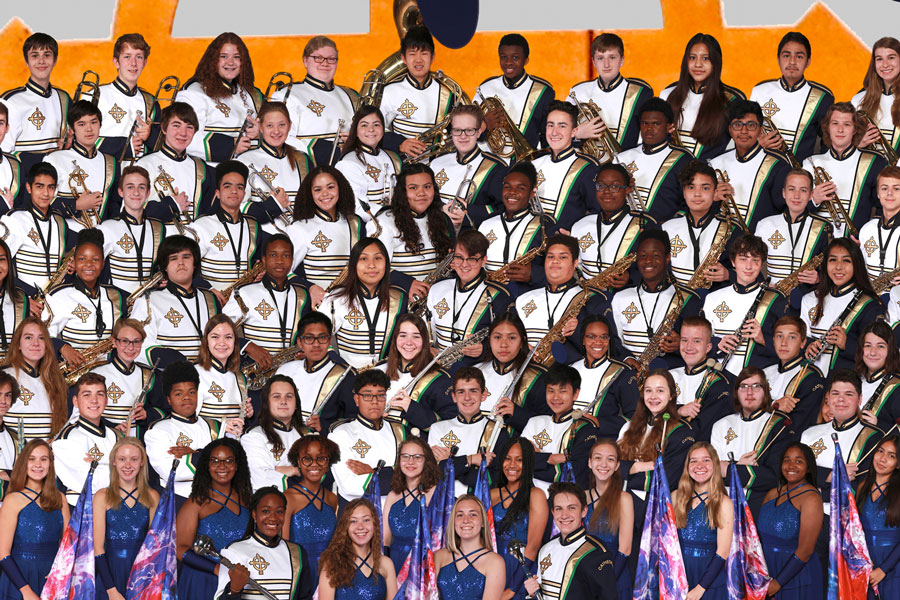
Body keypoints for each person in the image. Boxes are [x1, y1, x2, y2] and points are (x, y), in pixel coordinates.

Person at [609, 229, 701, 367]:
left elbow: (702, 344)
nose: (648, 261)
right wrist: (626, 358)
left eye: (656, 255)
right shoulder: (620, 298)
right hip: (630, 377)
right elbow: (614, 341)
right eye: (643, 255)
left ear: (667, 258)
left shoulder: (687, 299)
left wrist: (681, 344)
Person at [176, 438, 252, 600]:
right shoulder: (196, 503)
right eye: (215, 460)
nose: (222, 466)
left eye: (228, 461)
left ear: (237, 465)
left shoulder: (247, 500)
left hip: (238, 581)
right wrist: (217, 569)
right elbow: (180, 548)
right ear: (207, 465)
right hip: (203, 579)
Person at [513, 233, 612, 356]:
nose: (555, 261)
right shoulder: (523, 299)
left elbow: (609, 347)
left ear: (575, 263)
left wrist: (579, 330)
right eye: (550, 257)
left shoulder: (592, 299)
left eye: (563, 257)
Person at [701, 233, 787, 375]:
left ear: (762, 264)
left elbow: (790, 349)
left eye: (755, 260)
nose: (748, 266)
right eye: (743, 259)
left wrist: (762, 338)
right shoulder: (712, 298)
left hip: (756, 382)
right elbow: (697, 341)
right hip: (716, 379)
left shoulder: (775, 300)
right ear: (733, 262)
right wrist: (717, 343)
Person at [710, 367, 791, 512]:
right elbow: (711, 473)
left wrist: (730, 469)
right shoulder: (720, 425)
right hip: (722, 505)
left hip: (760, 506)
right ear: (736, 392)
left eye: (756, 386)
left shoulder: (779, 425)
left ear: (766, 391)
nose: (749, 392)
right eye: (743, 386)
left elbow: (774, 476)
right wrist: (739, 467)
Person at [130, 235, 221, 363]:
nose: (181, 263)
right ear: (164, 267)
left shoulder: (210, 299)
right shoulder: (148, 301)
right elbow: (136, 346)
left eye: (186, 257)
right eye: (173, 258)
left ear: (195, 263)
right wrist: (171, 359)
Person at [318, 238, 407, 369]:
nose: (371, 265)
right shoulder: (335, 298)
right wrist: (343, 369)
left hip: (387, 376)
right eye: (363, 259)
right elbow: (318, 338)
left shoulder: (399, 298)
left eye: (378, 258)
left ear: (387, 264)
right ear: (353, 264)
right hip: (345, 376)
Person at [800, 238, 884, 376]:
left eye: (846, 260)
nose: (838, 267)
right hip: (809, 380)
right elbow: (802, 338)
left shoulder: (869, 305)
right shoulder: (809, 299)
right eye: (833, 260)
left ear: (856, 265)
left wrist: (847, 344)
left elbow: (878, 355)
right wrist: (808, 346)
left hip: (846, 385)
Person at [214, 487, 315, 600]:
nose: (273, 518)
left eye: (279, 512)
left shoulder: (297, 552)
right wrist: (234, 590)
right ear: (254, 514)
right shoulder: (234, 551)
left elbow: (305, 597)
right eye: (266, 511)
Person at [800, 370, 883, 505]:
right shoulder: (809, 434)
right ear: (828, 398)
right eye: (835, 393)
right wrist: (833, 475)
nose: (840, 399)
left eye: (848, 394)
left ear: (860, 399)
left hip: (844, 521)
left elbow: (862, 489)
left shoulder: (873, 437)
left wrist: (815, 492)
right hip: (804, 516)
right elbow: (796, 475)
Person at [274, 36, 359, 167]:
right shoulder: (287, 94)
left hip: (350, 169)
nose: (325, 63)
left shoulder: (351, 95)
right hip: (307, 171)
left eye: (331, 59)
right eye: (318, 58)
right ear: (305, 61)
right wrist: (328, 151)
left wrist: (356, 141)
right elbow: (280, 137)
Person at [178, 32, 262, 166]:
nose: (230, 62)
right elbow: (183, 137)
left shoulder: (251, 94)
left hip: (249, 172)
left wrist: (260, 132)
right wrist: (231, 146)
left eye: (236, 57)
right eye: (223, 56)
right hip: (210, 174)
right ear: (213, 60)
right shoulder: (194, 92)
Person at [802, 102, 886, 237]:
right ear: (827, 128)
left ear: (855, 129)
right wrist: (813, 200)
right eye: (835, 124)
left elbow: (885, 207)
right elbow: (794, 212)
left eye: (846, 125)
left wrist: (869, 236)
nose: (840, 130)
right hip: (814, 246)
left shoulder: (873, 162)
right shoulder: (810, 163)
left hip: (854, 247)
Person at [44, 229, 126, 365]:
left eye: (95, 259)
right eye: (82, 259)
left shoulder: (117, 296)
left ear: (103, 264)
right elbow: (42, 334)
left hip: (108, 370)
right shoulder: (57, 295)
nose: (89, 264)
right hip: (73, 372)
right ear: (73, 262)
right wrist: (62, 347)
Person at [0, 439, 69, 600]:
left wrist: (60, 572)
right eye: (32, 459)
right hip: (19, 580)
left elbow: (68, 546)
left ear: (50, 464)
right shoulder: (13, 500)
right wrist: (26, 591)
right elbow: (3, 553)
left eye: (43, 459)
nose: (38, 464)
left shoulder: (60, 499)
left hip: (52, 580)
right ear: (24, 463)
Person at [750, 32, 834, 163]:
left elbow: (828, 146)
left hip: (801, 177)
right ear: (778, 59)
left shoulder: (822, 98)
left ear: (808, 62)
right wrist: (756, 144)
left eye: (799, 56)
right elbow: (744, 136)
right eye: (786, 55)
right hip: (761, 171)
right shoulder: (759, 91)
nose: (792, 62)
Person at [524, 482, 617, 600]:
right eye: (559, 509)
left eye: (571, 508)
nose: (564, 515)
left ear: (584, 511)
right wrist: (532, 595)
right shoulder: (546, 549)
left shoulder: (597, 553)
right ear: (552, 512)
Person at [0, 33, 70, 190]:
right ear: (26, 61)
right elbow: (3, 155)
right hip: (22, 185)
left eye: (47, 55)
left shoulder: (64, 98)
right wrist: (48, 156)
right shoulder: (10, 100)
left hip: (55, 185)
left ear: (55, 60)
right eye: (35, 55)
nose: (41, 61)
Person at [144, 361, 221, 503]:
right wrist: (211, 456)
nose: (187, 397)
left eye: (192, 392)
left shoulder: (214, 426)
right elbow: (172, 471)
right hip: (177, 501)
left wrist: (194, 453)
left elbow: (229, 465)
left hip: (216, 499)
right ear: (168, 399)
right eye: (179, 394)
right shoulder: (158, 430)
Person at [427, 367, 511, 498]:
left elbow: (493, 481)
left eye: (473, 391)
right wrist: (471, 460)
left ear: (483, 395)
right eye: (461, 392)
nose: (467, 397)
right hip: (441, 506)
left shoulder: (498, 432)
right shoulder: (438, 429)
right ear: (454, 397)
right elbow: (432, 475)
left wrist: (450, 462)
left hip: (478, 507)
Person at [93, 437, 160, 600]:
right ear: (114, 462)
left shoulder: (152, 496)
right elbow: (98, 548)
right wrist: (111, 591)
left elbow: (155, 547)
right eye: (122, 459)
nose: (128, 465)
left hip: (142, 574)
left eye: (134, 459)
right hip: (110, 573)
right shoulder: (102, 496)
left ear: (142, 462)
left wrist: (145, 584)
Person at [707, 99, 791, 229]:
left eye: (751, 125)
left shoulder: (777, 166)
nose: (744, 131)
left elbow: (787, 213)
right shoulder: (715, 163)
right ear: (730, 129)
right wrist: (713, 199)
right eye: (737, 125)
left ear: (760, 129)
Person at [660, 33, 745, 159]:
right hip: (670, 174)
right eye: (692, 58)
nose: (698, 64)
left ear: (716, 62)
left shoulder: (733, 100)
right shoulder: (668, 94)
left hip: (711, 175)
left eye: (705, 58)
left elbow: (737, 150)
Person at [222, 233, 310, 354]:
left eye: (286, 255)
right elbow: (217, 331)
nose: (279, 261)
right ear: (264, 260)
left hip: (290, 370)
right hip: (254, 369)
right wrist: (247, 346)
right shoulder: (243, 293)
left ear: (292, 260)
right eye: (273, 255)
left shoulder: (303, 295)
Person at [758, 443, 824, 599]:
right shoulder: (771, 494)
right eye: (787, 460)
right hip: (766, 574)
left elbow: (806, 550)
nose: (791, 466)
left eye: (799, 461)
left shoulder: (811, 498)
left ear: (808, 468)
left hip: (796, 576)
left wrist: (778, 582)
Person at [425, 229, 511, 350]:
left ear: (483, 261)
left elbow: (510, 341)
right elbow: (425, 333)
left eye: (472, 259)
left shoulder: (499, 296)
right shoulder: (437, 289)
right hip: (436, 365)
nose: (464, 264)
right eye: (459, 257)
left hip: (476, 367)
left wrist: (484, 349)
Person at [328, 369, 406, 502]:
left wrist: (372, 473)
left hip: (395, 510)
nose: (375, 401)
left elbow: (415, 475)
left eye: (381, 395)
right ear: (357, 399)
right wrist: (396, 476)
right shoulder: (340, 434)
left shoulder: (399, 429)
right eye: (368, 395)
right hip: (359, 513)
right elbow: (349, 486)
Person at [567, 33, 653, 151]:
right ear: (593, 62)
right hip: (585, 164)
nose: (606, 64)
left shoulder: (641, 93)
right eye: (600, 58)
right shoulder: (577, 92)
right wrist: (577, 133)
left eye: (612, 57)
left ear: (622, 60)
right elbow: (560, 130)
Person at [380, 26, 459, 155]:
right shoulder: (390, 91)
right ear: (404, 58)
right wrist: (400, 143)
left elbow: (457, 131)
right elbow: (375, 129)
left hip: (436, 163)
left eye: (424, 53)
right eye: (412, 54)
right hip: (401, 163)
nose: (418, 60)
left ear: (432, 57)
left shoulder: (448, 93)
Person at [618, 369, 696, 500]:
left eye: (660, 390)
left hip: (654, 506)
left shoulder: (681, 432)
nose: (653, 396)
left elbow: (667, 479)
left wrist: (625, 473)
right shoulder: (628, 427)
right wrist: (637, 467)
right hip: (620, 499)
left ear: (671, 395)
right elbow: (609, 466)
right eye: (648, 390)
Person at [43, 100, 120, 232]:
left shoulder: (111, 163)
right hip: (63, 237)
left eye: (93, 122)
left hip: (99, 239)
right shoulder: (54, 159)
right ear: (72, 129)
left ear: (100, 125)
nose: (89, 129)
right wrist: (77, 205)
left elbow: (115, 206)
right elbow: (41, 202)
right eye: (81, 124)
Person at [235, 101, 311, 233]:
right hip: (263, 239)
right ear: (260, 127)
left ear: (289, 126)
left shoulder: (303, 159)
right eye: (269, 125)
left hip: (302, 238)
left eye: (282, 125)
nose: (276, 131)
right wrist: (273, 206)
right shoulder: (244, 161)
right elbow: (237, 208)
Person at [519, 364, 598, 491]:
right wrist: (551, 458)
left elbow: (574, 473)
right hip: (529, 496)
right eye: (551, 391)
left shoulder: (585, 427)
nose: (556, 397)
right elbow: (517, 461)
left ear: (575, 394)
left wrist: (533, 460)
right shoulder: (534, 422)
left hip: (565, 500)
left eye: (563, 391)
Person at [613, 97, 692, 223]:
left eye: (656, 123)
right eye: (645, 123)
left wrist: (672, 225)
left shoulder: (683, 160)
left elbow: (689, 203)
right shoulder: (622, 158)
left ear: (669, 126)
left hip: (664, 233)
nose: (649, 129)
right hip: (623, 230)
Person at [570, 162, 652, 283]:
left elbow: (659, 267)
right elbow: (576, 267)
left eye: (615, 186)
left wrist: (630, 277)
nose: (607, 191)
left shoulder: (644, 224)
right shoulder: (579, 225)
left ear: (627, 190)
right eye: (601, 186)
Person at [287, 165, 366, 291]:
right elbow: (284, 272)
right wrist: (310, 288)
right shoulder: (299, 228)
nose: (325, 194)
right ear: (309, 193)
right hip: (319, 302)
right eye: (318, 190)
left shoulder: (356, 223)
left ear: (340, 188)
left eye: (330, 187)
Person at [0, 163, 75, 294]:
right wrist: (25, 299)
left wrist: (73, 266)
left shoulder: (61, 223)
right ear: (29, 188)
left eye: (50, 187)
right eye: (39, 187)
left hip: (54, 300)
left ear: (55, 189)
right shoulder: (14, 219)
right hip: (23, 300)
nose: (45, 193)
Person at [273, 311, 354, 431]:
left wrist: (326, 426)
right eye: (309, 338)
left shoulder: (345, 376)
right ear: (300, 342)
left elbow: (353, 419)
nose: (316, 344)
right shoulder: (285, 370)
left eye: (322, 337)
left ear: (330, 340)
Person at [671, 442, 733, 600]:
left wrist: (700, 588)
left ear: (715, 464)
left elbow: (723, 551)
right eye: (694, 461)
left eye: (706, 460)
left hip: (708, 580)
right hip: (678, 576)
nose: (700, 466)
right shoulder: (675, 497)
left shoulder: (724, 502)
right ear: (687, 466)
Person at [134, 101, 215, 221]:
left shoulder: (202, 168)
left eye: (189, 127)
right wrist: (171, 205)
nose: (183, 133)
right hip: (159, 238)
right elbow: (132, 212)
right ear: (164, 128)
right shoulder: (144, 165)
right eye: (176, 125)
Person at [427, 104, 506, 226]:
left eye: (469, 130)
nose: (463, 136)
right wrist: (441, 211)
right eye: (457, 130)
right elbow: (425, 201)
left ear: (479, 132)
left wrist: (469, 212)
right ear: (451, 132)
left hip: (472, 240)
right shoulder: (436, 163)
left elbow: (503, 208)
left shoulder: (496, 168)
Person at [192, 160, 265, 292]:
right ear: (217, 193)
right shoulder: (201, 225)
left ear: (244, 194)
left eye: (239, 187)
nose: (234, 191)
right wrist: (209, 289)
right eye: (227, 186)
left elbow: (256, 262)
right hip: (212, 300)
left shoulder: (253, 225)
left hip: (243, 301)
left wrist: (259, 274)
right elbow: (187, 267)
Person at [661, 159, 734, 288]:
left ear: (715, 192)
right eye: (691, 187)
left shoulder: (731, 229)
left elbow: (754, 275)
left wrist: (729, 275)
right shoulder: (666, 228)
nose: (697, 194)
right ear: (684, 192)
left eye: (705, 188)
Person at [377, 163, 455, 284]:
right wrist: (408, 284)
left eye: (427, 187)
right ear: (402, 192)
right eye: (413, 188)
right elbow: (375, 266)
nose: (421, 193)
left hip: (437, 294)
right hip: (399, 296)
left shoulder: (443, 219)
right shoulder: (384, 222)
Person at [755, 168, 831, 290]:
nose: (796, 195)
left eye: (803, 190)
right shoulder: (765, 224)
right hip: (771, 299)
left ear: (811, 195)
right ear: (784, 193)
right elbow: (749, 264)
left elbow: (832, 271)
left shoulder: (824, 227)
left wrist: (819, 279)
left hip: (806, 300)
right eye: (791, 189)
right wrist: (761, 284)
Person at [476, 161, 548, 291]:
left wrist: (534, 274)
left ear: (532, 193)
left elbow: (564, 272)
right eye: (507, 187)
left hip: (526, 301)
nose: (512, 192)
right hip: (488, 300)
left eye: (521, 188)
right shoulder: (486, 224)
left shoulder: (545, 225)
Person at [490, 438, 547, 600]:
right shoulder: (491, 494)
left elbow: (533, 546)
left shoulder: (536, 495)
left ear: (528, 463)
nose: (512, 465)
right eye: (507, 459)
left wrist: (512, 590)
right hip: (493, 570)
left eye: (519, 460)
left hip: (521, 574)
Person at [476, 33, 553, 153]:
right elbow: (468, 132)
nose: (508, 62)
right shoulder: (485, 88)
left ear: (526, 60)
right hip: (489, 163)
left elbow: (547, 138)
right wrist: (484, 126)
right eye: (503, 57)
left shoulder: (543, 92)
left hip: (526, 165)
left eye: (515, 57)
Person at [530, 100, 599, 232]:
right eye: (550, 125)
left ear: (574, 132)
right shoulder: (534, 163)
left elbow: (596, 214)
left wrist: (575, 235)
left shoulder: (587, 168)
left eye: (562, 126)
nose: (554, 132)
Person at [97, 165, 167, 293]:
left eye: (141, 187)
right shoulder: (107, 228)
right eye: (130, 187)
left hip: (149, 305)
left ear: (148, 193)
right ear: (120, 192)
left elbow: (159, 268)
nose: (136, 192)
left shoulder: (159, 228)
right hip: (118, 307)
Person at [378, 314, 453, 430]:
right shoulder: (378, 370)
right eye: (403, 335)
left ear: (425, 341)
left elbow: (449, 426)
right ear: (395, 339)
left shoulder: (440, 380)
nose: (409, 342)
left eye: (416, 337)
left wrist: (411, 407)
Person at [52, 373, 118, 505]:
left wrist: (97, 466)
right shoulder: (68, 437)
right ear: (75, 401)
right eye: (87, 394)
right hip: (81, 512)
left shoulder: (113, 435)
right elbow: (88, 481)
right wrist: (118, 469)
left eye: (100, 394)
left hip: (113, 507)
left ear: (106, 400)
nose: (94, 400)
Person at [476, 312, 547, 432]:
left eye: (512, 338)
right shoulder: (475, 372)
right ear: (489, 340)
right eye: (497, 337)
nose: (503, 345)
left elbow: (550, 426)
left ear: (522, 342)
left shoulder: (540, 378)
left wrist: (517, 414)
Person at [569, 315, 638, 439]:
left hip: (601, 443)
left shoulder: (622, 372)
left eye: (604, 337)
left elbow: (635, 417)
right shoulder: (571, 369)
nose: (598, 342)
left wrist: (600, 423)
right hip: (566, 439)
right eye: (591, 336)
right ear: (583, 340)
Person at [316, 498, 397, 600]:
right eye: (353, 521)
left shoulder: (386, 564)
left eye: (366, 520)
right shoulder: (332, 564)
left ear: (374, 524)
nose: (360, 527)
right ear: (345, 527)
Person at [668, 316, 733, 443]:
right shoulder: (668, 376)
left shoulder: (718, 382)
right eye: (684, 340)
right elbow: (650, 416)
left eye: (696, 341)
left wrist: (669, 413)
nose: (688, 347)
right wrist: (678, 410)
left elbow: (701, 432)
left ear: (708, 347)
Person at [284, 434, 340, 580]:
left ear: (328, 462)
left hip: (328, 573)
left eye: (321, 458)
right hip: (300, 573)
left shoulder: (332, 499)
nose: (314, 464)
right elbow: (283, 547)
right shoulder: (288, 498)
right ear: (298, 462)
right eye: (307, 459)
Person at [2, 317, 67, 441]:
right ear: (18, 344)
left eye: (41, 338)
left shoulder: (55, 380)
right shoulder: (5, 377)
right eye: (28, 337)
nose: (35, 343)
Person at [584, 440, 633, 599]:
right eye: (598, 458)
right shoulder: (581, 497)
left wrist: (605, 583)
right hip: (584, 575)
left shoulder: (623, 499)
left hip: (613, 575)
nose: (604, 464)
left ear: (617, 465)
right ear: (590, 463)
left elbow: (625, 549)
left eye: (610, 459)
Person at [95, 33, 155, 162]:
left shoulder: (151, 102)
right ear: (116, 62)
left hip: (140, 177)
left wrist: (150, 137)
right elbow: (80, 140)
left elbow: (162, 149)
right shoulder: (96, 96)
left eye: (139, 57)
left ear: (144, 62)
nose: (133, 63)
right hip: (105, 174)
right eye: (127, 57)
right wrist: (125, 146)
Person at [382, 437, 439, 574]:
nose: (410, 462)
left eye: (417, 457)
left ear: (427, 461)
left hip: (423, 564)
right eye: (405, 456)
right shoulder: (393, 495)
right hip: (394, 562)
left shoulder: (435, 492)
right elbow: (385, 539)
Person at [241, 375, 308, 491]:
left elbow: (321, 474)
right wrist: (297, 470)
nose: (283, 401)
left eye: (289, 396)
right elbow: (261, 479)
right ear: (267, 403)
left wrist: (277, 470)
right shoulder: (253, 436)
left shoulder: (307, 436)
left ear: (296, 403)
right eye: (276, 397)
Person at [335, 106, 402, 219]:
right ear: (355, 130)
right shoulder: (348, 163)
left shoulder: (391, 156)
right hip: (370, 226)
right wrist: (389, 217)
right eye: (364, 125)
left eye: (376, 125)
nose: (371, 129)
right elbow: (356, 206)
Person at [763, 315, 826, 435]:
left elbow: (797, 427)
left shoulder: (811, 378)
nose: (783, 343)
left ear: (803, 343)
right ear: (773, 340)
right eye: (779, 336)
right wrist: (774, 406)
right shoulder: (764, 373)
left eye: (792, 337)